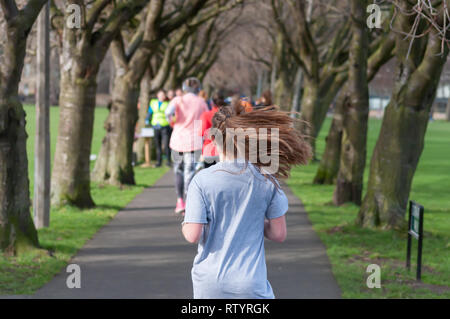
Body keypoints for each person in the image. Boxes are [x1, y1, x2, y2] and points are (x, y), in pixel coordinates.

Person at [181, 105, 312, 299]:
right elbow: (278, 234)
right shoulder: (266, 178)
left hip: (209, 283)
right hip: (250, 283)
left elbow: (192, 235)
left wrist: (186, 221)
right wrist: (254, 219)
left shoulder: (201, 180)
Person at [165, 77, 208, 214]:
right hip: (194, 141)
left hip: (178, 139)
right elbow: (206, 117)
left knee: (178, 169)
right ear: (197, 88)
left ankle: (179, 201)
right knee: (190, 170)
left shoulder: (178, 100)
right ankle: (189, 202)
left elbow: (167, 112)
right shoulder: (201, 102)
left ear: (184, 88)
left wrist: (172, 122)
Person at [145, 90, 172, 167]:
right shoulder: (153, 102)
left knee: (166, 144)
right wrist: (147, 119)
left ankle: (168, 161)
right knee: (158, 145)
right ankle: (158, 162)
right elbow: (150, 112)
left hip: (165, 126)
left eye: (163, 95)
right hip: (156, 126)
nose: (162, 96)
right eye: (160, 95)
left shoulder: (168, 103)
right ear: (157, 95)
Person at [199, 90, 225, 168]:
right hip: (224, 151)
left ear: (211, 103)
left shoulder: (206, 115)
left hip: (209, 151)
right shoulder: (228, 115)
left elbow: (202, 133)